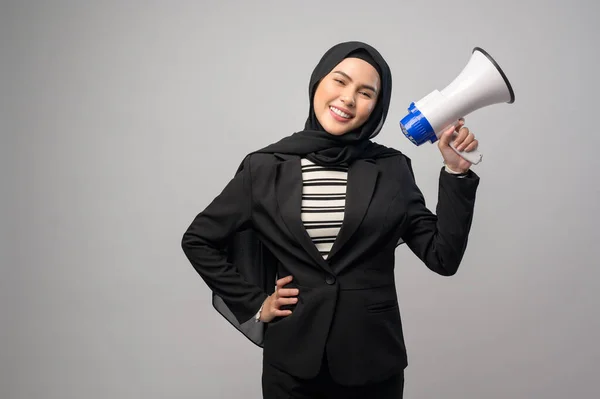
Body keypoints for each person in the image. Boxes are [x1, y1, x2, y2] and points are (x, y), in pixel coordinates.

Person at [181, 41, 480, 398]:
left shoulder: (392, 168)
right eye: (339, 81)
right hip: (292, 366)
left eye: (365, 92)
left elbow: (443, 257)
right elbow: (198, 239)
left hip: (373, 364)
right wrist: (256, 303)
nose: (348, 99)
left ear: (376, 107)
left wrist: (456, 172)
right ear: (318, 83)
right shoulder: (264, 167)